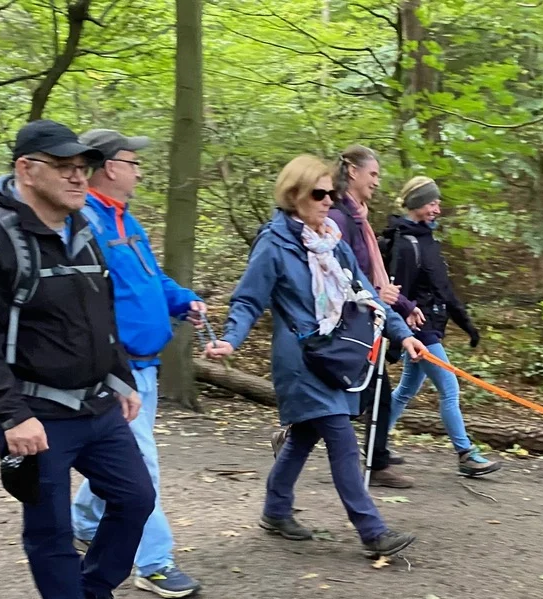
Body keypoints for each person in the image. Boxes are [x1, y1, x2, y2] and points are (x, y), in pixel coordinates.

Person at [0, 119, 154, 599]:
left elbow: (97, 310)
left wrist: (121, 376)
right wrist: (11, 415)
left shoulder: (81, 225)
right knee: (51, 525)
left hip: (95, 401)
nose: (78, 177)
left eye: (83, 168)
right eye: (64, 168)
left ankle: (93, 587)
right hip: (32, 410)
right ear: (26, 170)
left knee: (135, 497)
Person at [203, 155, 426, 559]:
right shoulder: (274, 244)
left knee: (305, 436)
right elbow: (249, 299)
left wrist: (404, 334)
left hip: (335, 357)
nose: (328, 201)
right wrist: (231, 340)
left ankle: (274, 510)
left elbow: (368, 296)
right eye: (319, 193)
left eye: (332, 193)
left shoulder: (332, 243)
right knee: (340, 437)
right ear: (294, 196)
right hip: (301, 360)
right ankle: (372, 530)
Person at [69, 128, 204, 599]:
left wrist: (182, 301)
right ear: (109, 167)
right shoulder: (83, 222)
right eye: (132, 161)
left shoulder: (123, 219)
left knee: (122, 460)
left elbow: (149, 278)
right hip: (115, 370)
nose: (138, 169)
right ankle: (153, 562)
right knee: (140, 465)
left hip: (145, 368)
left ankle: (82, 520)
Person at [383, 176, 501, 477]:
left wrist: (467, 325)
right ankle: (465, 454)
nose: (437, 209)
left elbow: (444, 290)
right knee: (450, 388)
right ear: (418, 205)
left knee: (407, 388)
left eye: (438, 203)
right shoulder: (407, 244)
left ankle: (376, 441)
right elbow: (397, 292)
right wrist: (401, 334)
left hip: (431, 326)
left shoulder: (426, 239)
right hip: (420, 330)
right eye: (432, 203)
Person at [326, 145, 421, 489]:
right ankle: (373, 462)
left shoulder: (359, 218)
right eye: (373, 174)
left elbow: (370, 273)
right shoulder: (339, 219)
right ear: (352, 171)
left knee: (375, 390)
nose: (377, 182)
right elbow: (337, 275)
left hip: (369, 319)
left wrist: (404, 306)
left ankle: (377, 459)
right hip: (349, 323)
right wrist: (374, 296)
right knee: (363, 392)